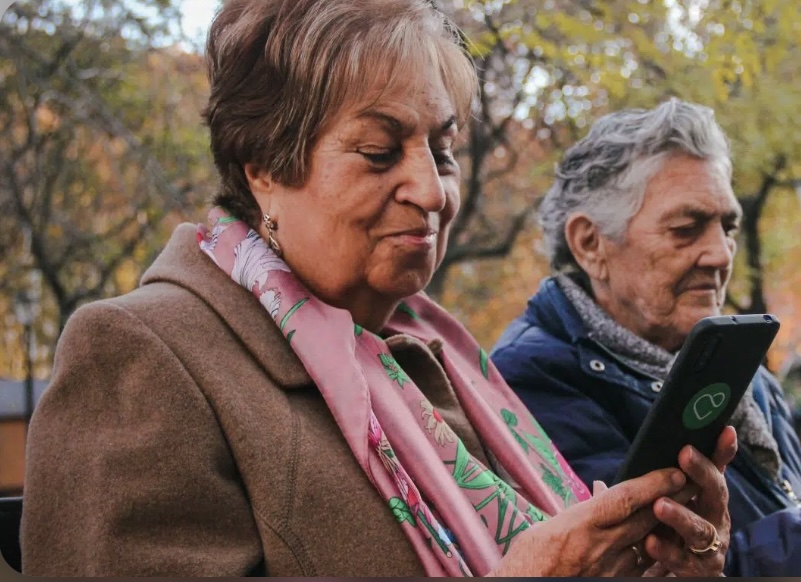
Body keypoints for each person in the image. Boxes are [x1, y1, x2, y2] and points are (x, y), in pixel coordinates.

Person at [18, 2, 735, 576]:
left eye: (443, 149)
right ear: (262, 163)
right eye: (379, 151)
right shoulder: (141, 356)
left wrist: (676, 565)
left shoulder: (440, 359)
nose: (431, 190)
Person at [490, 99, 801, 577]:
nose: (720, 254)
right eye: (687, 228)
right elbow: (663, 567)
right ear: (590, 244)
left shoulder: (739, 372)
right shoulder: (532, 381)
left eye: (728, 226)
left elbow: (788, 523)